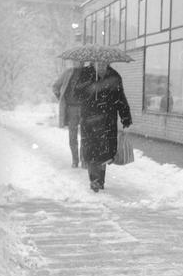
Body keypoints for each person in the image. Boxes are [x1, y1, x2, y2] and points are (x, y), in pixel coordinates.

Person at [73, 60, 132, 192]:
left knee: (104, 152)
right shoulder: (85, 74)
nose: (101, 66)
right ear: (93, 62)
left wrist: (125, 117)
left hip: (107, 120)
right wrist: (88, 85)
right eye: (98, 63)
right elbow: (76, 94)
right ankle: (94, 179)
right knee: (91, 150)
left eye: (103, 63)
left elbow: (120, 98)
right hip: (89, 120)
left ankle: (100, 180)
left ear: (108, 63)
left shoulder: (114, 76)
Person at [52, 61, 85, 168]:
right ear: (74, 61)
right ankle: (75, 160)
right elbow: (55, 86)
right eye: (76, 60)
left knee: (86, 135)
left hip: (86, 108)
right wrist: (60, 97)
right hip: (71, 108)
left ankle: (84, 160)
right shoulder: (68, 73)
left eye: (81, 61)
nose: (79, 63)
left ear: (84, 62)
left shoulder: (88, 73)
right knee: (72, 135)